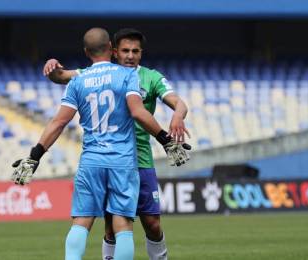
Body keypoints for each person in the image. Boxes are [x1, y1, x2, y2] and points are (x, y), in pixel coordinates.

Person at [11, 28, 188, 260]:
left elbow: (59, 120)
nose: (130, 56)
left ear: (86, 51)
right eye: (125, 50)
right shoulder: (126, 76)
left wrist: (34, 155)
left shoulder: (84, 79)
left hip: (104, 160)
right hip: (122, 160)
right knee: (119, 226)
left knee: (93, 222)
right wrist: (165, 139)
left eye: (135, 51)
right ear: (113, 51)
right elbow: (137, 112)